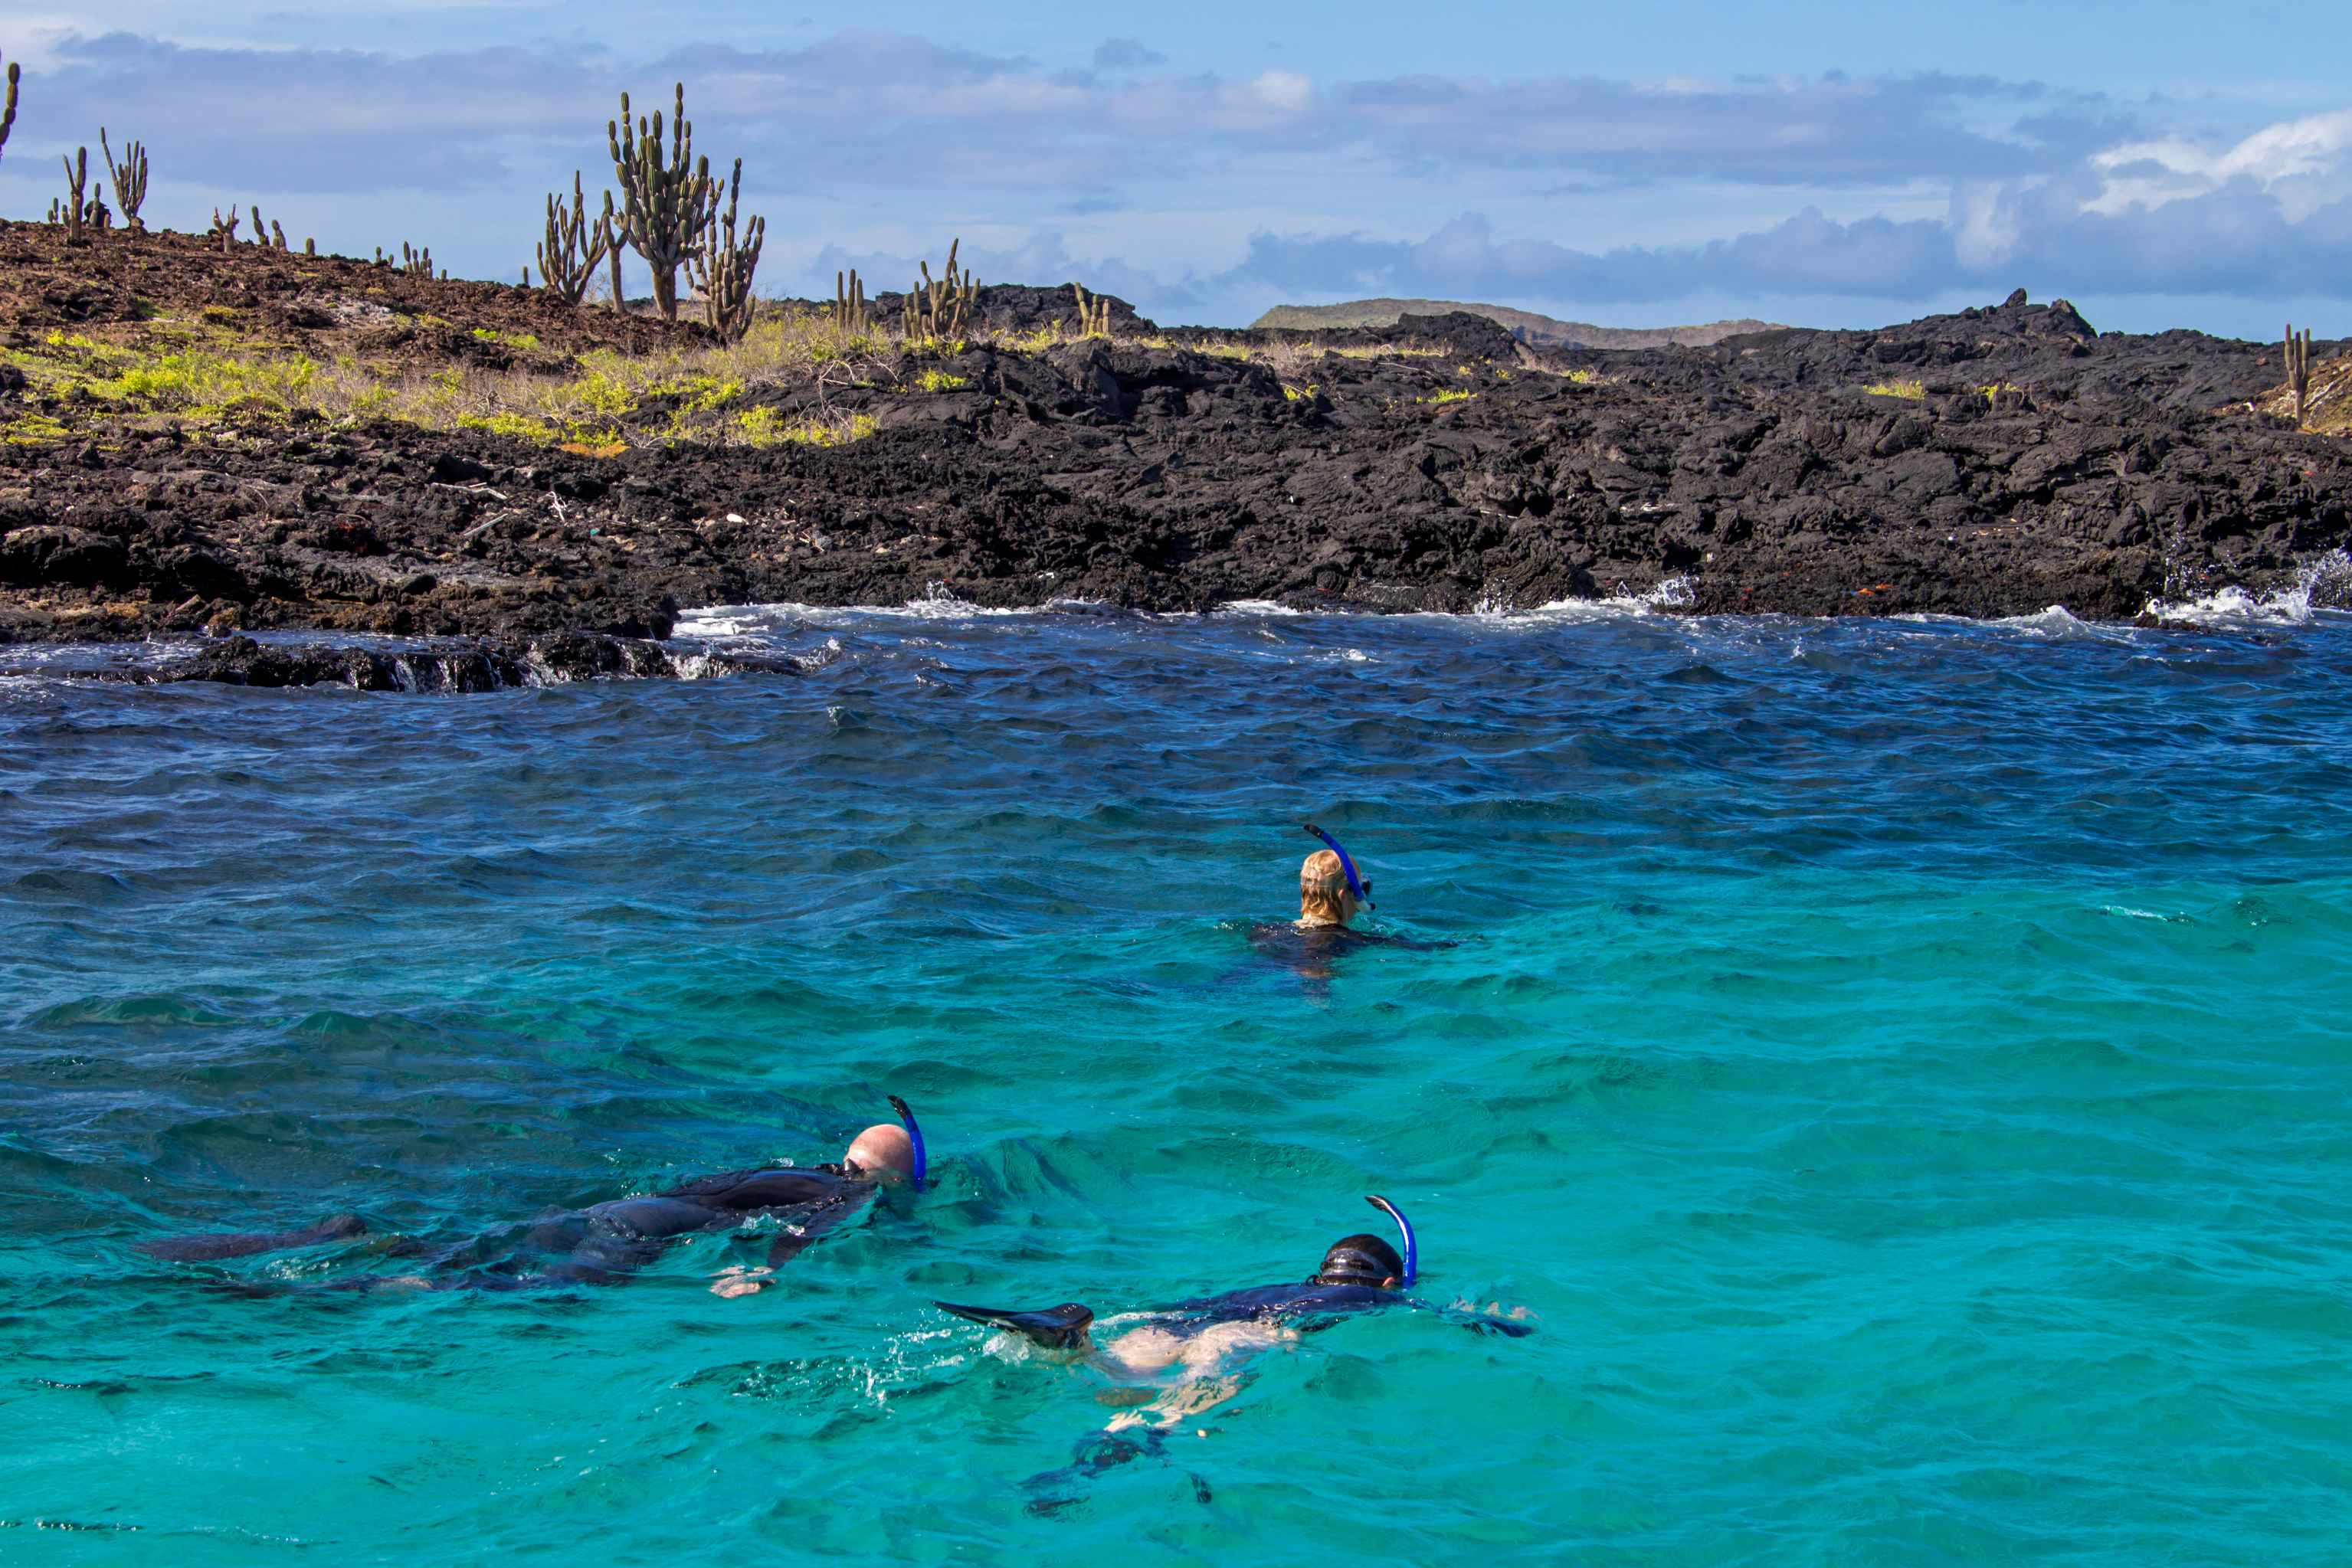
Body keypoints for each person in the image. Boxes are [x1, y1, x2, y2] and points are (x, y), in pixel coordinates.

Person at [938, 1197, 1531, 1511]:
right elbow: (1449, 1318)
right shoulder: (1376, 1300)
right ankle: (1117, 1449)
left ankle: (1071, 1338)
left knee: (1116, 1370)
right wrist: (1496, 1322)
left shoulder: (1287, 1284)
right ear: (1384, 1283)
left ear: (1321, 1271)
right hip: (1245, 1334)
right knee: (1171, 1406)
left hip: (1183, 1317)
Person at [142, 1096, 931, 1298]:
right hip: (641, 1234)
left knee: (467, 1247)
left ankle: (351, 1235)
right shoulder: (846, 1195)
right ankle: (370, 1283)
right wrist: (763, 1272)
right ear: (884, 1174)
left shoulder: (787, 1162)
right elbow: (805, 1233)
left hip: (619, 1206)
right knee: (504, 1293)